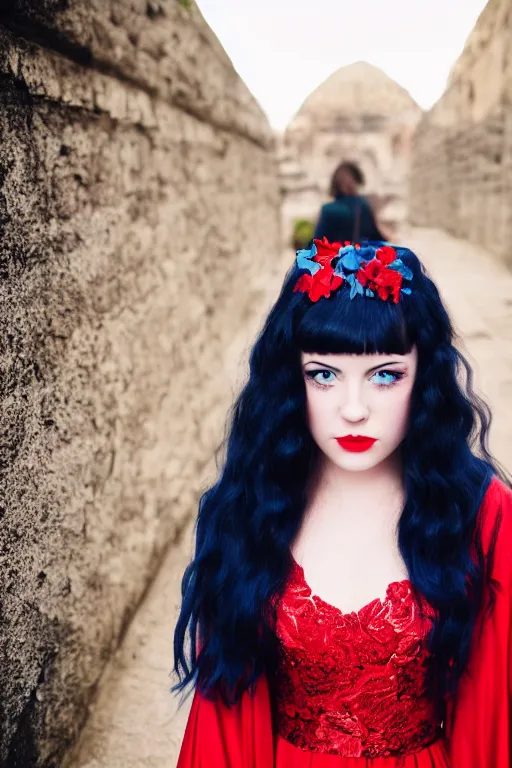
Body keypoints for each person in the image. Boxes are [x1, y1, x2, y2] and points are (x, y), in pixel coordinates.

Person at [173, 237, 512, 767]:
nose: (354, 410)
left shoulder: (481, 513)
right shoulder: (250, 505)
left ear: (423, 377)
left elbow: (492, 720)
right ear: (292, 378)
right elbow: (225, 720)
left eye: (386, 375)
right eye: (324, 375)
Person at [315, 161, 388, 243]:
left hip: (336, 254)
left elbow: (318, 242)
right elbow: (375, 236)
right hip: (358, 253)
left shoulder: (327, 210)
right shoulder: (362, 205)